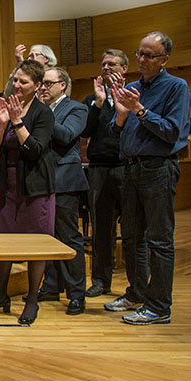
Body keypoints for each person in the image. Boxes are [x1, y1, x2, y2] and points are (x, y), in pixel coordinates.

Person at [107, 32, 191, 325]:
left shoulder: (176, 88)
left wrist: (139, 110)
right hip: (131, 169)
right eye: (140, 53)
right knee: (131, 238)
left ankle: (158, 307)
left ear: (164, 59)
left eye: (149, 55)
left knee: (159, 240)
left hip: (158, 169)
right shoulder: (131, 88)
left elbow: (172, 132)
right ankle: (136, 293)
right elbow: (115, 133)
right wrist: (120, 114)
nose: (141, 60)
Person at [0, 60, 55, 325]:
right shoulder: (8, 109)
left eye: (24, 81)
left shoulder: (43, 113)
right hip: (10, 185)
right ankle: (0, 294)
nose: (17, 85)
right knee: (5, 243)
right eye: (16, 80)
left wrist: (18, 122)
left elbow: (34, 149)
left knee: (36, 245)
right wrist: (1, 123)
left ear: (37, 86)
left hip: (35, 185)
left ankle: (32, 299)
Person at [38, 67, 89, 315]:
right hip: (41, 180)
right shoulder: (40, 109)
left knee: (69, 238)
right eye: (42, 84)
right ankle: (51, 285)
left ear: (62, 85)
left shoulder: (77, 108)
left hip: (65, 180)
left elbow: (67, 135)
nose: (43, 88)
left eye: (48, 84)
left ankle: (76, 293)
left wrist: (43, 114)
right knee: (47, 237)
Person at [81, 49, 129, 297]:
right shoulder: (92, 99)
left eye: (112, 64)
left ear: (124, 69)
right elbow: (85, 132)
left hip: (125, 167)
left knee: (131, 226)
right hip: (99, 168)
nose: (106, 68)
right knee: (101, 227)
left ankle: (136, 285)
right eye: (103, 64)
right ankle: (100, 280)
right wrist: (98, 105)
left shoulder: (133, 96)